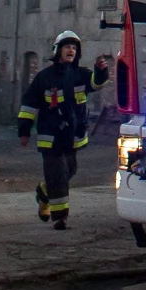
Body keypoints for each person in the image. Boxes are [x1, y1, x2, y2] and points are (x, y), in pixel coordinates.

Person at [18, 31, 108, 230]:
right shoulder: (44, 77)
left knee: (69, 170)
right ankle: (60, 218)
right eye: (67, 47)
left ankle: (44, 192)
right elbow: (29, 105)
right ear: (58, 50)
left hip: (72, 136)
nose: (71, 51)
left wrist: (100, 70)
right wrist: (24, 130)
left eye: (74, 48)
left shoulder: (81, 74)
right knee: (58, 174)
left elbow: (96, 83)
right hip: (51, 136)